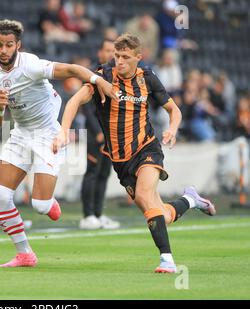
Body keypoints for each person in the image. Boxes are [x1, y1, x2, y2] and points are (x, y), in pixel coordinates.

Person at [52, 33, 216, 273]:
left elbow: (174, 110)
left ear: (139, 57)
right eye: (117, 56)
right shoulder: (103, 77)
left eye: (125, 57)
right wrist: (64, 131)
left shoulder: (147, 78)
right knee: (161, 214)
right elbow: (75, 101)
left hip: (147, 148)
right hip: (120, 160)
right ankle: (191, 200)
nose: (119, 61)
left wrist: (172, 129)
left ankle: (167, 260)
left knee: (143, 195)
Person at [0, 19, 116, 268]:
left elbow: (74, 69)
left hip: (48, 133)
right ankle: (25, 254)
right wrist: (0, 110)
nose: (3, 50)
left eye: (9, 45)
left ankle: (48, 202)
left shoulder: (31, 65)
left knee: (41, 206)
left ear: (17, 46)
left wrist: (99, 82)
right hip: (20, 133)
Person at [80, 39, 120, 230]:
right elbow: (87, 108)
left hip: (110, 134)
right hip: (95, 134)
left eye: (114, 51)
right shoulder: (91, 76)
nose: (111, 54)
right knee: (92, 173)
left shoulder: (117, 77)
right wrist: (97, 132)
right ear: (100, 53)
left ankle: (98, 214)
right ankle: (87, 216)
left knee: (104, 173)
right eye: (107, 50)